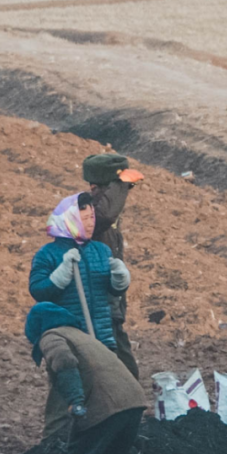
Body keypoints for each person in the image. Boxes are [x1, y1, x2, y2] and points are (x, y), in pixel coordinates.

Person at [25, 302, 146, 454]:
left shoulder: (51, 336)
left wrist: (75, 400)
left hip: (105, 407)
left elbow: (64, 361)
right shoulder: (82, 336)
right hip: (134, 402)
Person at [29, 191, 130, 364]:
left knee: (107, 388)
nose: (91, 224)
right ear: (69, 220)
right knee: (74, 388)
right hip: (70, 343)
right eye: (84, 219)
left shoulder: (101, 250)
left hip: (103, 339)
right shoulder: (47, 254)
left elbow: (110, 292)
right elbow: (38, 290)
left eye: (92, 217)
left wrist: (120, 280)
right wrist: (59, 277)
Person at [83, 153, 144, 379]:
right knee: (118, 362)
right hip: (98, 302)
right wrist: (120, 183)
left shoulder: (103, 209)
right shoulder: (88, 213)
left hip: (109, 300)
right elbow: (104, 215)